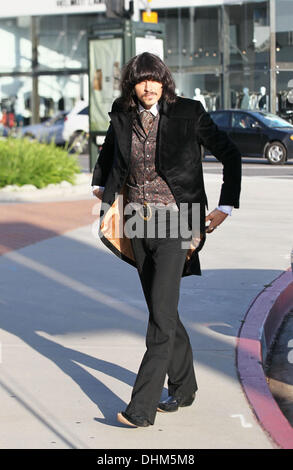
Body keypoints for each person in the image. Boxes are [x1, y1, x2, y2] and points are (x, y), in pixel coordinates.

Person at [91, 52, 241, 428]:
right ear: (132, 83)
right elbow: (110, 150)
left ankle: (140, 409)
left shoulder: (189, 112)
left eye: (154, 79)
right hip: (137, 222)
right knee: (164, 311)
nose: (148, 87)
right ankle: (185, 386)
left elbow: (231, 154)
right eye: (141, 80)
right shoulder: (122, 113)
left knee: (159, 320)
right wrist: (101, 186)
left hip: (179, 222)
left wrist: (226, 206)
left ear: (164, 81)